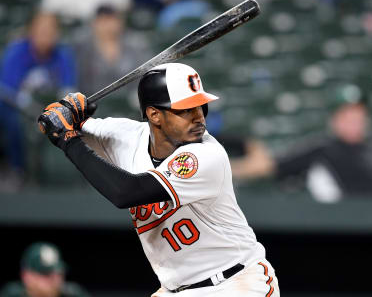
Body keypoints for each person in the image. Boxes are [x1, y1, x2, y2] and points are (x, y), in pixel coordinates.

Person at [36, 63, 280, 296]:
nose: (199, 118)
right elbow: (59, 125)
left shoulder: (206, 155)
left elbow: (126, 193)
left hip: (236, 283)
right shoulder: (125, 136)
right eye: (186, 109)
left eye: (201, 106)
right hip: (177, 289)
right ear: (154, 114)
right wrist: (65, 114)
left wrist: (67, 138)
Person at [273, 84, 372, 202]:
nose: (355, 120)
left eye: (359, 114)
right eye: (348, 115)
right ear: (334, 119)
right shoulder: (321, 149)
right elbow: (275, 168)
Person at [0, 11, 76, 189]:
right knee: (11, 119)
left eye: (50, 30)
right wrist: (29, 108)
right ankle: (17, 171)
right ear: (31, 31)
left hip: (52, 110)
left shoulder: (63, 54)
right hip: (18, 111)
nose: (45, 34)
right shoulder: (17, 51)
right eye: (41, 29)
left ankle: (62, 180)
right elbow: (7, 90)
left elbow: (68, 88)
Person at [72, 4, 153, 97]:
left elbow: (146, 75)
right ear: (94, 23)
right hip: (94, 102)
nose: (107, 26)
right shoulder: (82, 48)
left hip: (131, 101)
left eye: (111, 20)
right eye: (103, 21)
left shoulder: (137, 45)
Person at [0, 242, 90, 297]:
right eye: (45, 273)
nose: (53, 278)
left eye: (57, 273)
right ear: (26, 276)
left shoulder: (73, 294)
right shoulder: (11, 294)